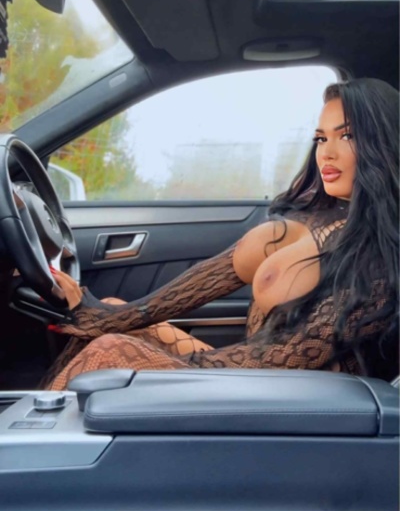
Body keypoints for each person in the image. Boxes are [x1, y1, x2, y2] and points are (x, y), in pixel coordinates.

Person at [42, 78, 399, 391]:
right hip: (260, 381)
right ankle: (35, 430)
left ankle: (27, 442)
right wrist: (104, 317)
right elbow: (205, 281)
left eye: (347, 135)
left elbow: (287, 356)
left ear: (382, 142)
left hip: (303, 407)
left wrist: (161, 365)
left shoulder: (381, 257)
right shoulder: (321, 220)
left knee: (111, 350)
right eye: (321, 138)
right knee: (112, 326)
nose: (326, 153)